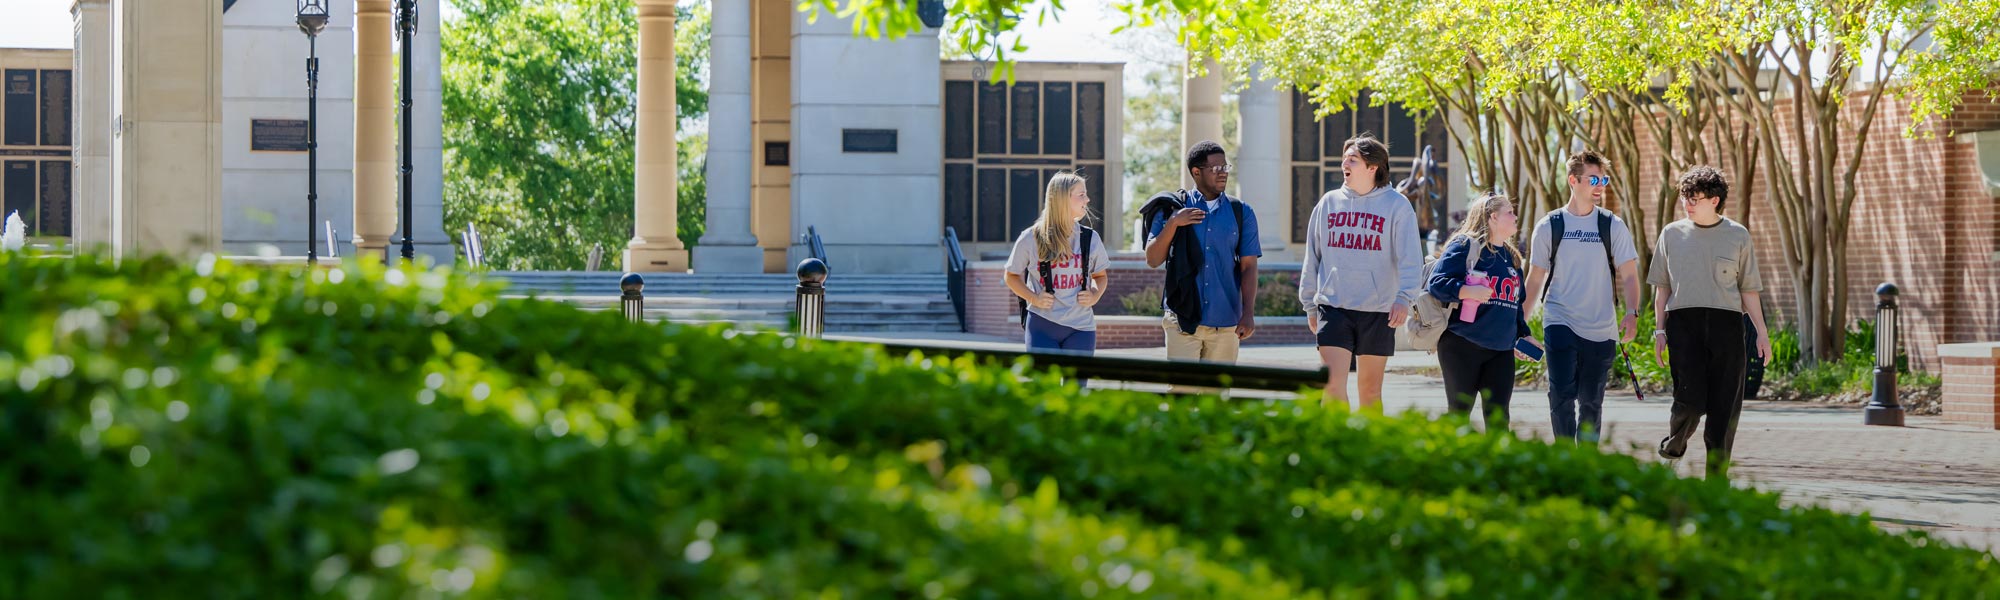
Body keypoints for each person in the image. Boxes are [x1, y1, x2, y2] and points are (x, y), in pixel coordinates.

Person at [1651, 166, 1771, 477]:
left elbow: (1748, 289)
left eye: (1694, 198)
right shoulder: (1671, 234)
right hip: (1683, 326)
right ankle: (1675, 440)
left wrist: (1761, 333)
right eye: (1684, 197)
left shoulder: (1737, 235)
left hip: (1727, 327)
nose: (1686, 203)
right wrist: (1659, 330)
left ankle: (1716, 483)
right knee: (1688, 400)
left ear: (1714, 200)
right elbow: (1662, 288)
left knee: (1723, 410)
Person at [1520, 151, 1642, 444]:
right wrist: (1518, 325)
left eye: (1604, 179)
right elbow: (1535, 279)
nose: (1601, 186)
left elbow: (1628, 274)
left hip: (1601, 327)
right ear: (1573, 180)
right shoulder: (1550, 225)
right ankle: (1564, 457)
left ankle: (1586, 461)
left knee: (1591, 401)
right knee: (1561, 394)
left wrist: (1631, 312)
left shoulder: (1612, 225)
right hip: (1560, 319)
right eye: (1594, 179)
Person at [1299, 134, 1423, 411]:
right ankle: (1336, 446)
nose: (1345, 163)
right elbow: (1313, 256)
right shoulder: (1328, 203)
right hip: (1333, 307)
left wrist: (1404, 298)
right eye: (1344, 158)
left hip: (1377, 311)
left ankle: (1368, 450)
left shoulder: (1397, 206)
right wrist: (1309, 304)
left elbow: (1411, 259)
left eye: (1352, 159)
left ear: (1372, 167)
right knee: (1331, 384)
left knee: (1369, 390)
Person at [1138, 141, 1263, 388]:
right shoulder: (1172, 208)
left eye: (1225, 166)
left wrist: (1247, 312)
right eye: (1216, 168)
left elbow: (1248, 266)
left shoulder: (1241, 212)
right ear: (1196, 172)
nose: (1224, 172)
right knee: (1181, 397)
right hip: (1181, 320)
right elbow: (1153, 259)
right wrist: (1173, 223)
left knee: (1216, 402)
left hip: (1225, 323)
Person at [1426, 193, 1542, 431]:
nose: (1515, 216)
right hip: (1461, 346)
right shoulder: (1465, 246)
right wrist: (1466, 290)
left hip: (1501, 351)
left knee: (1499, 419)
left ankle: (1497, 467)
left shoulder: (1512, 258)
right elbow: (1436, 284)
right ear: (1492, 217)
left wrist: (1524, 334)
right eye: (1509, 212)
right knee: (1459, 414)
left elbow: (1516, 307)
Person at [1005, 172, 1110, 355]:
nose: (1088, 199)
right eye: (1081, 194)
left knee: (1076, 385)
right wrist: (1034, 298)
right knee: (1045, 384)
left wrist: (1095, 295)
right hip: (1041, 325)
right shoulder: (1031, 237)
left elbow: (1100, 277)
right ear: (1062, 199)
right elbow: (1011, 276)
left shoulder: (1090, 238)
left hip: (1082, 328)